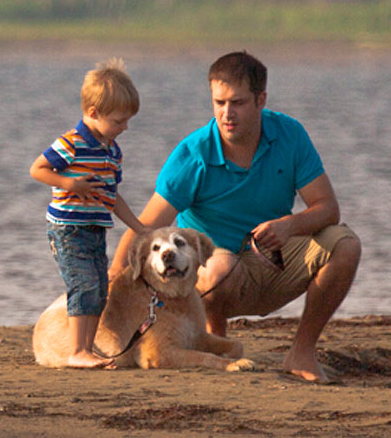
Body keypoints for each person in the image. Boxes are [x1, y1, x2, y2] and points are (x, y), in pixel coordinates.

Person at [111, 51, 362, 383]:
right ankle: (215, 342)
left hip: (273, 260)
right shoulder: (193, 154)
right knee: (219, 266)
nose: (227, 114)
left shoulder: (290, 134)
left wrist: (289, 225)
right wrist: (113, 281)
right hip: (215, 275)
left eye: (238, 102)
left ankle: (301, 352)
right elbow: (146, 228)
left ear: (261, 100)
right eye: (219, 102)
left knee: (345, 245)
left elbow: (328, 208)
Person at [28, 58, 151, 369]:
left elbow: (112, 197)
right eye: (118, 121)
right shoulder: (72, 143)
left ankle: (86, 348)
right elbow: (37, 170)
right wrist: (69, 182)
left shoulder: (111, 151)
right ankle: (77, 350)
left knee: (99, 289)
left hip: (95, 228)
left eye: (127, 122)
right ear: (94, 114)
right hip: (68, 229)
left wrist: (139, 226)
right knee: (83, 285)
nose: (124, 128)